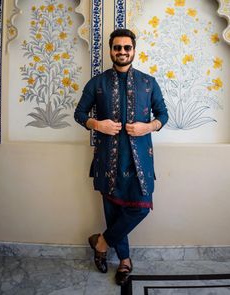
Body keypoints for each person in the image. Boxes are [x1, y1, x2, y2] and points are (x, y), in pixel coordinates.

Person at [74, 28, 168, 286]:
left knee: (141, 208)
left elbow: (163, 115)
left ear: (134, 50)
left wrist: (147, 127)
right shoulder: (97, 83)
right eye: (118, 48)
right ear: (111, 50)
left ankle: (101, 242)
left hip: (140, 160)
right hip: (109, 159)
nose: (122, 52)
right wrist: (97, 124)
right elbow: (79, 114)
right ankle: (125, 261)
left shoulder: (149, 83)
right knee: (114, 211)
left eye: (127, 47)